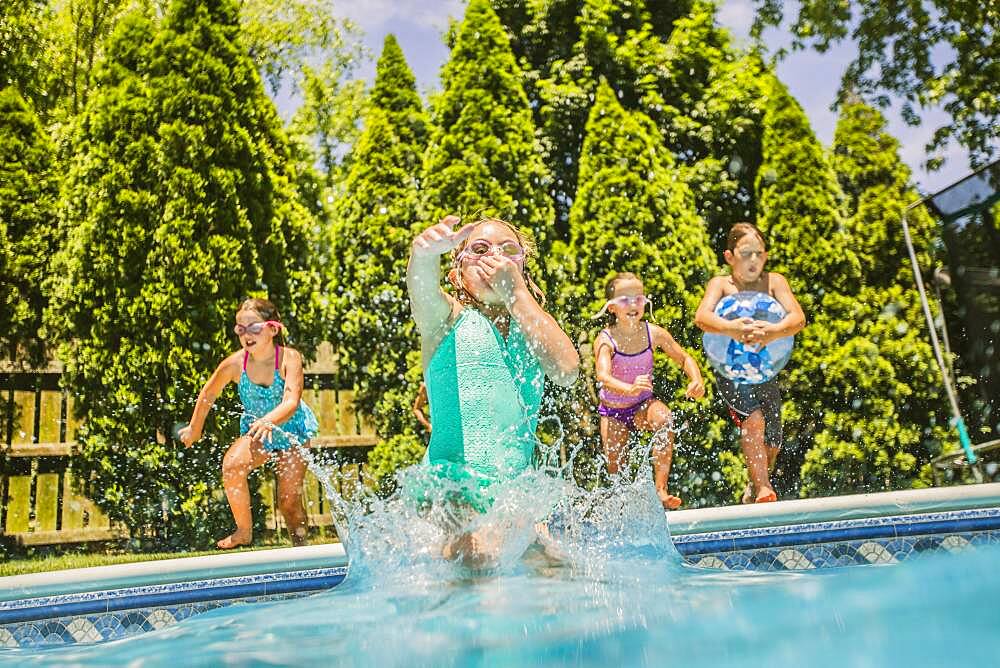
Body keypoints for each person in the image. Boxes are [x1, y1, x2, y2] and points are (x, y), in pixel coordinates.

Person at [406, 214, 579, 565]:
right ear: (456, 273)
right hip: (450, 491)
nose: (493, 258)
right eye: (479, 250)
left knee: (558, 572)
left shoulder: (530, 325)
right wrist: (422, 256)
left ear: (521, 268)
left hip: (511, 499)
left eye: (507, 250)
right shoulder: (445, 319)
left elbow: (567, 371)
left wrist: (516, 293)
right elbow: (421, 291)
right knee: (480, 555)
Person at [179, 298, 318, 548]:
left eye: (254, 327)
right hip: (257, 432)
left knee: (288, 502)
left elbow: (291, 401)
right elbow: (209, 393)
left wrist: (269, 420)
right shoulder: (235, 364)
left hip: (292, 433)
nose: (246, 334)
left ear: (273, 329)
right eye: (240, 328)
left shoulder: (288, 358)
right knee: (232, 465)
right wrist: (194, 428)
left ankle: (301, 547)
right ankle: (244, 531)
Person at [694, 223, 805, 504]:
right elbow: (702, 318)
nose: (753, 260)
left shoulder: (775, 282)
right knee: (753, 420)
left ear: (766, 256)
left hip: (764, 369)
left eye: (759, 253)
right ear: (730, 257)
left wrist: (771, 332)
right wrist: (730, 329)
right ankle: (764, 486)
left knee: (773, 440)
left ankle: (753, 482)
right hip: (732, 371)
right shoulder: (720, 285)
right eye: (746, 253)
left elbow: (797, 319)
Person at [592, 272, 705, 510]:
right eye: (625, 299)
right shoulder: (606, 339)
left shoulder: (653, 333)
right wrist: (629, 388)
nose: (633, 304)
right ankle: (623, 508)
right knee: (617, 476)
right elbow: (602, 375)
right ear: (612, 307)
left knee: (664, 419)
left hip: (642, 406)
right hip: (613, 412)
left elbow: (684, 357)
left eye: (638, 298)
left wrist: (696, 379)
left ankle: (661, 490)